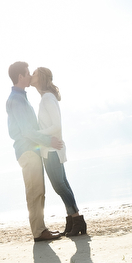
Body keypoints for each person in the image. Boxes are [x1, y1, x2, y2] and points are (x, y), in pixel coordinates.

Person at [6, 61, 64, 242]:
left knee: (39, 191)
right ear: (21, 77)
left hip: (32, 150)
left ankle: (41, 228)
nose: (31, 75)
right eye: (28, 73)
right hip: (27, 151)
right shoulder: (16, 99)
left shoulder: (21, 97)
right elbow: (27, 131)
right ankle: (38, 232)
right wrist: (49, 141)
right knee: (34, 191)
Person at [30, 67, 87, 237]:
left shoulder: (47, 98)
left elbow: (56, 126)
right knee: (62, 184)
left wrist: (37, 135)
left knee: (59, 185)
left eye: (34, 73)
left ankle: (77, 220)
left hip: (51, 150)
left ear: (41, 77)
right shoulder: (46, 97)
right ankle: (72, 221)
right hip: (51, 149)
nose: (32, 76)